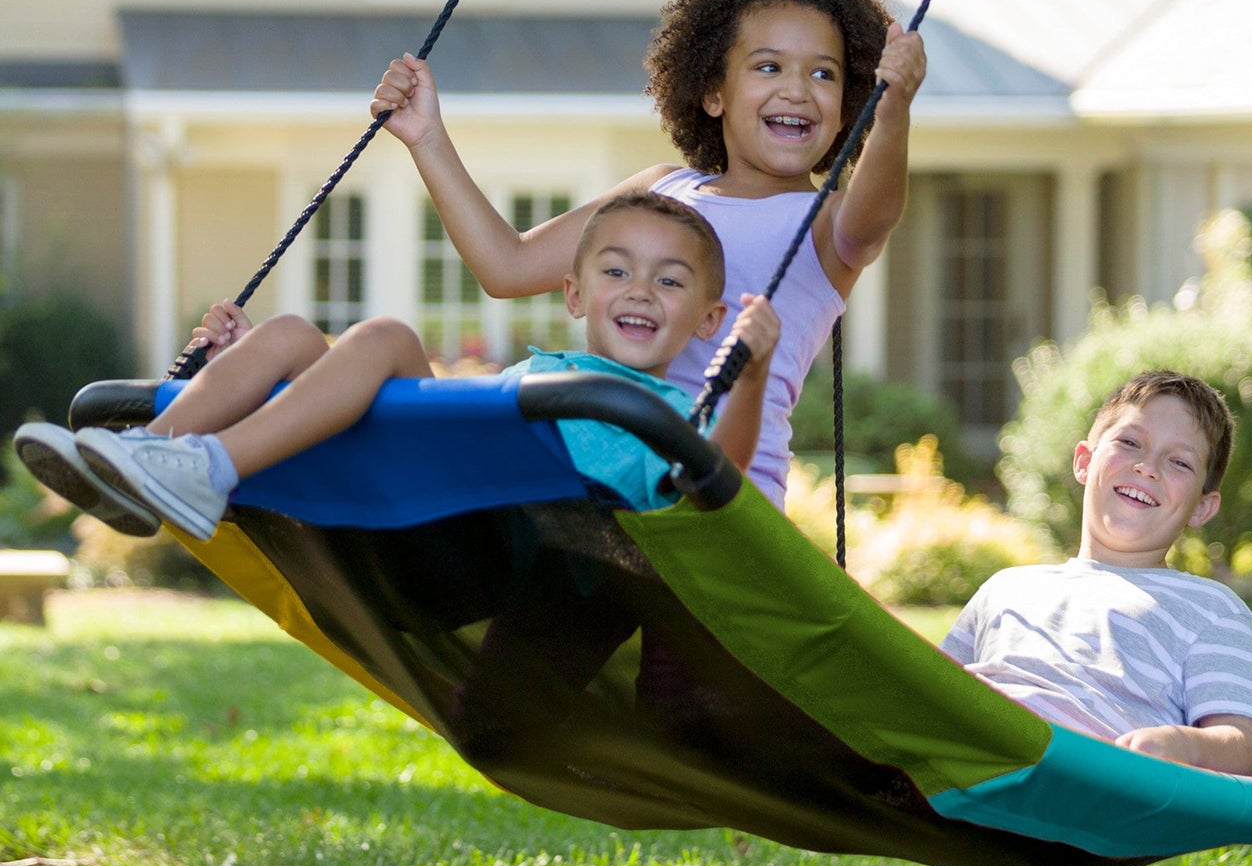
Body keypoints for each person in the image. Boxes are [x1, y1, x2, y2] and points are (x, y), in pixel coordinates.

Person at [364, 0, 927, 509]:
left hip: (714, 497)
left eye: (824, 73)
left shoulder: (825, 225)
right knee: (390, 366)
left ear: (849, 107)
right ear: (713, 92)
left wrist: (892, 114)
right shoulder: (665, 190)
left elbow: (875, 213)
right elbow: (507, 266)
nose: (797, 90)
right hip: (602, 464)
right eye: (768, 67)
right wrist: (427, 138)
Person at [17, 193, 779, 541]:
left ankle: (204, 466)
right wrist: (239, 370)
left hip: (499, 512)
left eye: (670, 282)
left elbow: (726, 475)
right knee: (281, 334)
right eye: (617, 271)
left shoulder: (660, 411)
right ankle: (144, 455)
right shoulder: (555, 369)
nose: (640, 290)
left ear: (709, 323)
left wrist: (746, 373)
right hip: (449, 466)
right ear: (574, 293)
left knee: (382, 335)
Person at [940, 371, 1252, 776]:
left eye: (1179, 462)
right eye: (1130, 442)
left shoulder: (1210, 608)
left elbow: (1243, 745)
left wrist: (1182, 744)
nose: (1147, 467)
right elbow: (932, 692)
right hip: (969, 754)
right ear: (1084, 461)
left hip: (1090, 777)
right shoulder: (1006, 587)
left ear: (1202, 507)